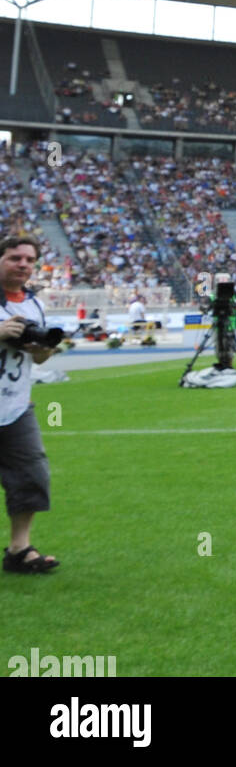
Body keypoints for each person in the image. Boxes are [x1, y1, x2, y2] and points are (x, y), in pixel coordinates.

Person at [0, 235, 59, 573]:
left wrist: (42, 350)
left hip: (16, 405)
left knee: (31, 474)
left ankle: (19, 550)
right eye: (14, 258)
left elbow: (37, 360)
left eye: (29, 260)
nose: (23, 265)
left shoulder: (33, 304)